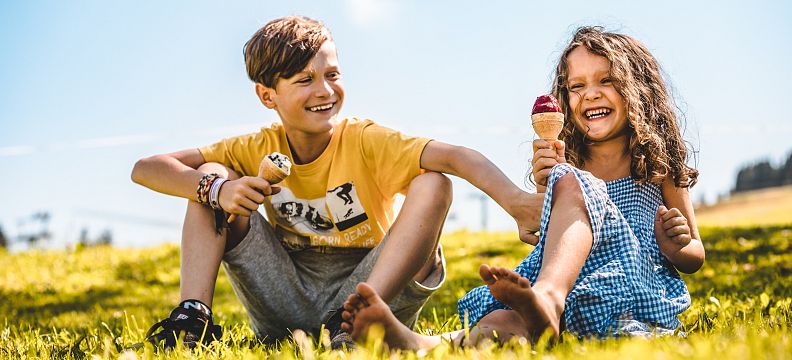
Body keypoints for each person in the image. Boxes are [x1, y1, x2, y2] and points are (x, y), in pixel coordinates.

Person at [130, 15, 542, 349]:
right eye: (304, 80)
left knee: (434, 181)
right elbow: (146, 167)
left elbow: (454, 156)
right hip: (285, 296)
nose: (324, 90)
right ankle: (192, 319)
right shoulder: (256, 146)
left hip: (372, 289)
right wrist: (220, 190)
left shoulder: (364, 140)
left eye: (332, 74)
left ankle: (352, 325)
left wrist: (517, 202)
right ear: (267, 95)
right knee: (209, 176)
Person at [340, 26, 705, 350]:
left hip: (625, 289)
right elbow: (545, 238)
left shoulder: (659, 168)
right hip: (568, 288)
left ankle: (547, 299)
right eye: (577, 86)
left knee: (532, 304)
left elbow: (694, 254)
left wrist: (678, 246)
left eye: (606, 81)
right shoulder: (569, 165)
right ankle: (417, 343)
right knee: (503, 324)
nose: (590, 94)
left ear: (637, 90)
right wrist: (550, 191)